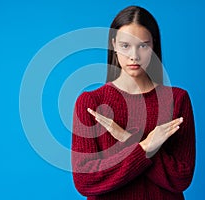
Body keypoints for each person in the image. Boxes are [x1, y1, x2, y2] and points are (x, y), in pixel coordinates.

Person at [71, 5, 195, 200]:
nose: (134, 56)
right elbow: (85, 182)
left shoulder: (177, 100)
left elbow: (181, 178)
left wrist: (127, 138)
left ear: (154, 45)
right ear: (113, 44)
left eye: (143, 45)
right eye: (125, 46)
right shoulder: (90, 102)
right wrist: (145, 147)